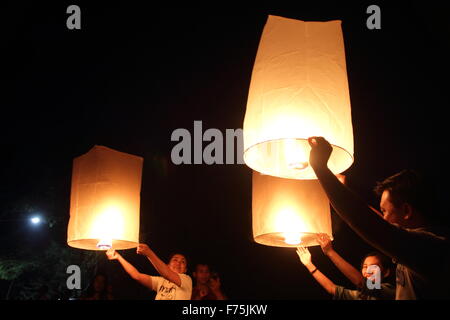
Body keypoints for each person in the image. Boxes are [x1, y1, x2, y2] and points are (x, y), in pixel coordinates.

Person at [306, 136, 450, 299]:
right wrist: (343, 190)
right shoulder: (421, 249)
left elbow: (370, 224)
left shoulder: (429, 248)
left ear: (406, 211)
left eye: (385, 211)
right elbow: (373, 220)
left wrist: (320, 168)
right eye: (365, 267)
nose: (383, 218)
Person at [297, 234, 394, 300]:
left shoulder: (391, 291)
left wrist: (330, 252)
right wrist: (309, 264)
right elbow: (332, 288)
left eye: (374, 267)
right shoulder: (362, 296)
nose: (368, 270)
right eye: (365, 266)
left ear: (386, 272)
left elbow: (360, 282)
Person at [106, 243, 192, 300]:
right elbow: (136, 275)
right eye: (175, 260)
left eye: (183, 262)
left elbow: (167, 274)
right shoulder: (161, 281)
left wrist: (149, 253)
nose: (178, 263)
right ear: (167, 265)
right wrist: (118, 257)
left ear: (185, 270)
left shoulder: (186, 280)